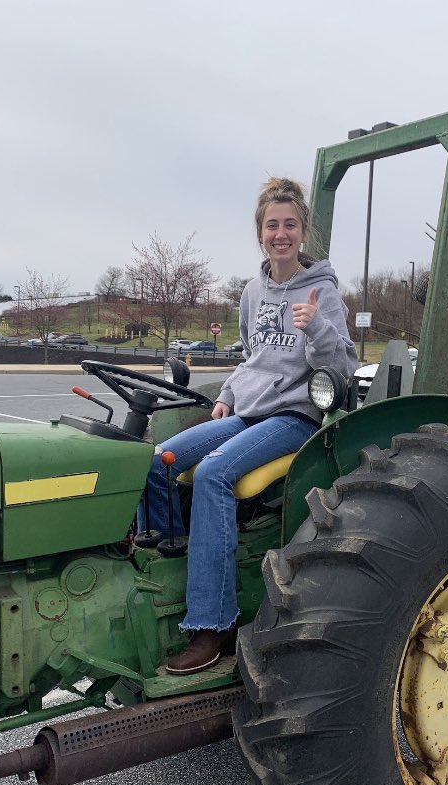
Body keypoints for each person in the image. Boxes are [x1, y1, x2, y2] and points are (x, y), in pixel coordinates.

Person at [141, 176, 358, 675]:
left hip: (294, 417)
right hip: (247, 411)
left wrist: (318, 329)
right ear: (259, 232)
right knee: (158, 462)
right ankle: (172, 579)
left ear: (303, 232)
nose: (280, 234)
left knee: (215, 474)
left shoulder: (322, 290)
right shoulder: (253, 291)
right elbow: (251, 357)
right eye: (271, 225)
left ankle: (211, 625)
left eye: (290, 225)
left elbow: (340, 367)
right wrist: (228, 396)